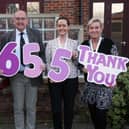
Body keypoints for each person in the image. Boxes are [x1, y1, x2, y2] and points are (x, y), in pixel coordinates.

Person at [0, 10, 45, 129]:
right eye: (18, 19)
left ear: (27, 20)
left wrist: (43, 63)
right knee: (18, 107)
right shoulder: (6, 36)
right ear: (13, 21)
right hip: (16, 77)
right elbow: (1, 55)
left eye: (23, 18)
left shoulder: (36, 34)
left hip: (33, 75)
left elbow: (42, 52)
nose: (20, 21)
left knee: (31, 107)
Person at [80, 18, 118, 129]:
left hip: (104, 87)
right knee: (94, 117)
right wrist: (83, 68)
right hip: (90, 87)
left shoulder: (108, 43)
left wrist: (113, 78)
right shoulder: (84, 45)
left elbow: (115, 64)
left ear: (101, 29)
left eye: (97, 27)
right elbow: (79, 63)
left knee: (101, 117)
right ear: (88, 30)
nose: (94, 30)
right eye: (91, 28)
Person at [45, 16, 79, 129]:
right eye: (59, 25)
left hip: (71, 79)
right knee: (56, 109)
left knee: (69, 108)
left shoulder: (75, 43)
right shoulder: (50, 44)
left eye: (64, 25)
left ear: (68, 27)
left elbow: (79, 63)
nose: (61, 27)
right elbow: (48, 62)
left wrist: (76, 56)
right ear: (56, 27)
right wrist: (50, 75)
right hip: (55, 80)